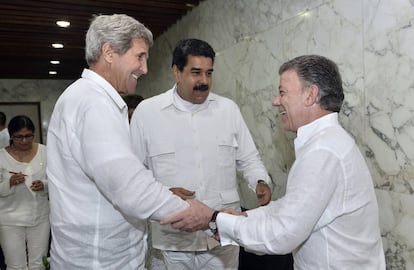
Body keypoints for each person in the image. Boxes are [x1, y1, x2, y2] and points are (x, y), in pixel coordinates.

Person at [161, 55, 386, 269]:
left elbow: (282, 234)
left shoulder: (323, 151)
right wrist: (242, 217)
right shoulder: (327, 142)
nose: (276, 101)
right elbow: (291, 207)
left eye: (282, 92)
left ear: (310, 95)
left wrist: (212, 219)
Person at [46, 14, 208, 270]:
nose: (144, 68)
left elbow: (113, 176)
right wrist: (200, 215)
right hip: (99, 261)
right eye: (139, 56)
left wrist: (162, 194)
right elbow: (128, 188)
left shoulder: (90, 98)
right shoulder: (93, 103)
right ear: (109, 52)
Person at [130, 38, 272, 270]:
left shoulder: (228, 110)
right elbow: (133, 174)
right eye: (196, 73)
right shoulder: (148, 113)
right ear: (177, 72)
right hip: (172, 240)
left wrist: (259, 180)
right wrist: (162, 193)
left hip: (221, 238)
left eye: (209, 73)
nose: (204, 81)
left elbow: (249, 158)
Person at [0, 115, 50, 270]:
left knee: (39, 264)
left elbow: (59, 180)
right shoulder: (1, 156)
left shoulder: (45, 152)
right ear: (11, 136)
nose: (24, 141)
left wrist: (44, 185)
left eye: (28, 136)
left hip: (40, 217)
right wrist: (9, 183)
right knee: (15, 265)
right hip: (9, 219)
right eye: (19, 137)